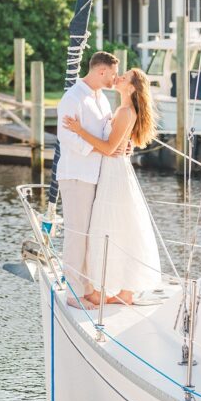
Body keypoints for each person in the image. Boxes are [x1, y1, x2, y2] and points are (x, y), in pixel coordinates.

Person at [62, 68, 161, 306]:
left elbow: (108, 148)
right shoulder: (120, 109)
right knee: (117, 225)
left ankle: (123, 291)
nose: (119, 78)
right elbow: (116, 143)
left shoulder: (126, 111)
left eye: (124, 77)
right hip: (112, 171)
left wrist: (78, 130)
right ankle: (123, 292)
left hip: (114, 173)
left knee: (114, 225)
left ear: (132, 87)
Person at [56, 50, 120, 309]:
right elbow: (66, 137)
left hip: (97, 175)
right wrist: (100, 148)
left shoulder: (103, 99)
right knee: (76, 234)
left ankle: (89, 288)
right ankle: (73, 292)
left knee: (90, 234)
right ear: (101, 71)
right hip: (76, 175)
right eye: (113, 74)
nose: (115, 79)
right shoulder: (72, 97)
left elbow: (107, 134)